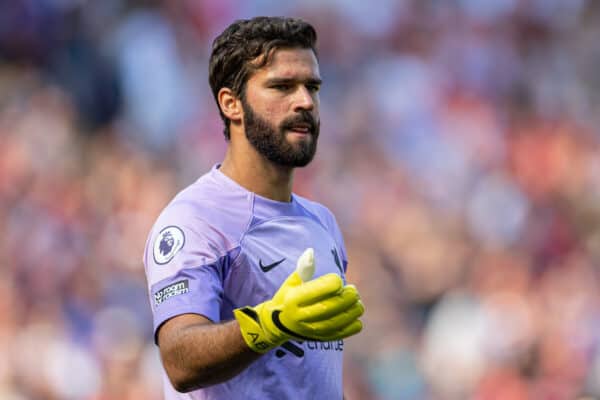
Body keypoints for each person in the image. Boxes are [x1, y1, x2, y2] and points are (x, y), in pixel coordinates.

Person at [143, 16, 365, 399]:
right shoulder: (195, 220)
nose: (305, 101)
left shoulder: (322, 223)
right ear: (232, 104)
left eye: (312, 87)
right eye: (282, 86)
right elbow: (179, 359)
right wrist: (270, 322)